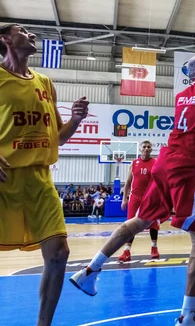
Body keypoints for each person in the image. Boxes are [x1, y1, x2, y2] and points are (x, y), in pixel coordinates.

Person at [70, 41, 195, 326]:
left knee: (140, 220)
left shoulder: (184, 96)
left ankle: (90, 271)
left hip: (166, 163)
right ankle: (187, 316)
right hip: (189, 169)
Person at [0, 23, 89, 326]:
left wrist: (76, 121)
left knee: (59, 253)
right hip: (3, 179)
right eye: (22, 30)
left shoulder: (45, 83)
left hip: (40, 180)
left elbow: (58, 138)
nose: (32, 34)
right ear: (4, 39)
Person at [117, 140, 160, 261]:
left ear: (151, 149)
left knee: (153, 224)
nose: (146, 148)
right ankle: (127, 251)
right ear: (140, 149)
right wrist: (124, 199)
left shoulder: (155, 163)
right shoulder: (134, 163)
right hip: (135, 198)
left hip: (149, 198)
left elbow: (159, 182)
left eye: (148, 147)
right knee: (130, 225)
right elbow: (128, 182)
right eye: (144, 147)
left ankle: (154, 248)